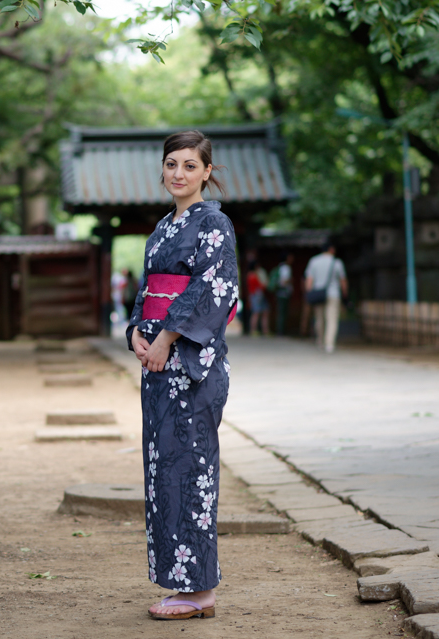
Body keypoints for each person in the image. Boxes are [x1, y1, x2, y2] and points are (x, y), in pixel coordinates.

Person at [127, 130, 237, 621]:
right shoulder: (161, 229)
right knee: (164, 471)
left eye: (190, 165)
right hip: (156, 368)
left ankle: (200, 591)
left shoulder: (215, 225)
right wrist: (136, 332)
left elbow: (214, 292)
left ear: (207, 172)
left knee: (192, 472)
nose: (179, 173)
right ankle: (183, 584)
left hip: (191, 369)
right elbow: (147, 289)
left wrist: (168, 339)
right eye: (172, 164)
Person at [304, 240, 347, 353]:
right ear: (331, 249)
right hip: (333, 294)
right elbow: (343, 281)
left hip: (318, 293)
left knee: (319, 318)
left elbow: (309, 280)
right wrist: (345, 294)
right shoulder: (337, 262)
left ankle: (320, 341)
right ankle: (329, 344)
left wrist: (309, 294)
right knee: (332, 319)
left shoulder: (314, 261)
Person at [272, 253, 294, 336]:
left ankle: (280, 331)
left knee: (280, 312)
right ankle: (281, 331)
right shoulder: (286, 268)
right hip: (284, 293)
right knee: (282, 313)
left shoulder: (279, 267)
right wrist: (291, 280)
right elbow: (284, 281)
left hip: (279, 293)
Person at [245, 259, 269, 336]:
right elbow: (259, 285)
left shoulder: (249, 275)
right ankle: (254, 330)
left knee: (260, 312)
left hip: (254, 295)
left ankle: (258, 330)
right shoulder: (253, 275)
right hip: (256, 295)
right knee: (256, 313)